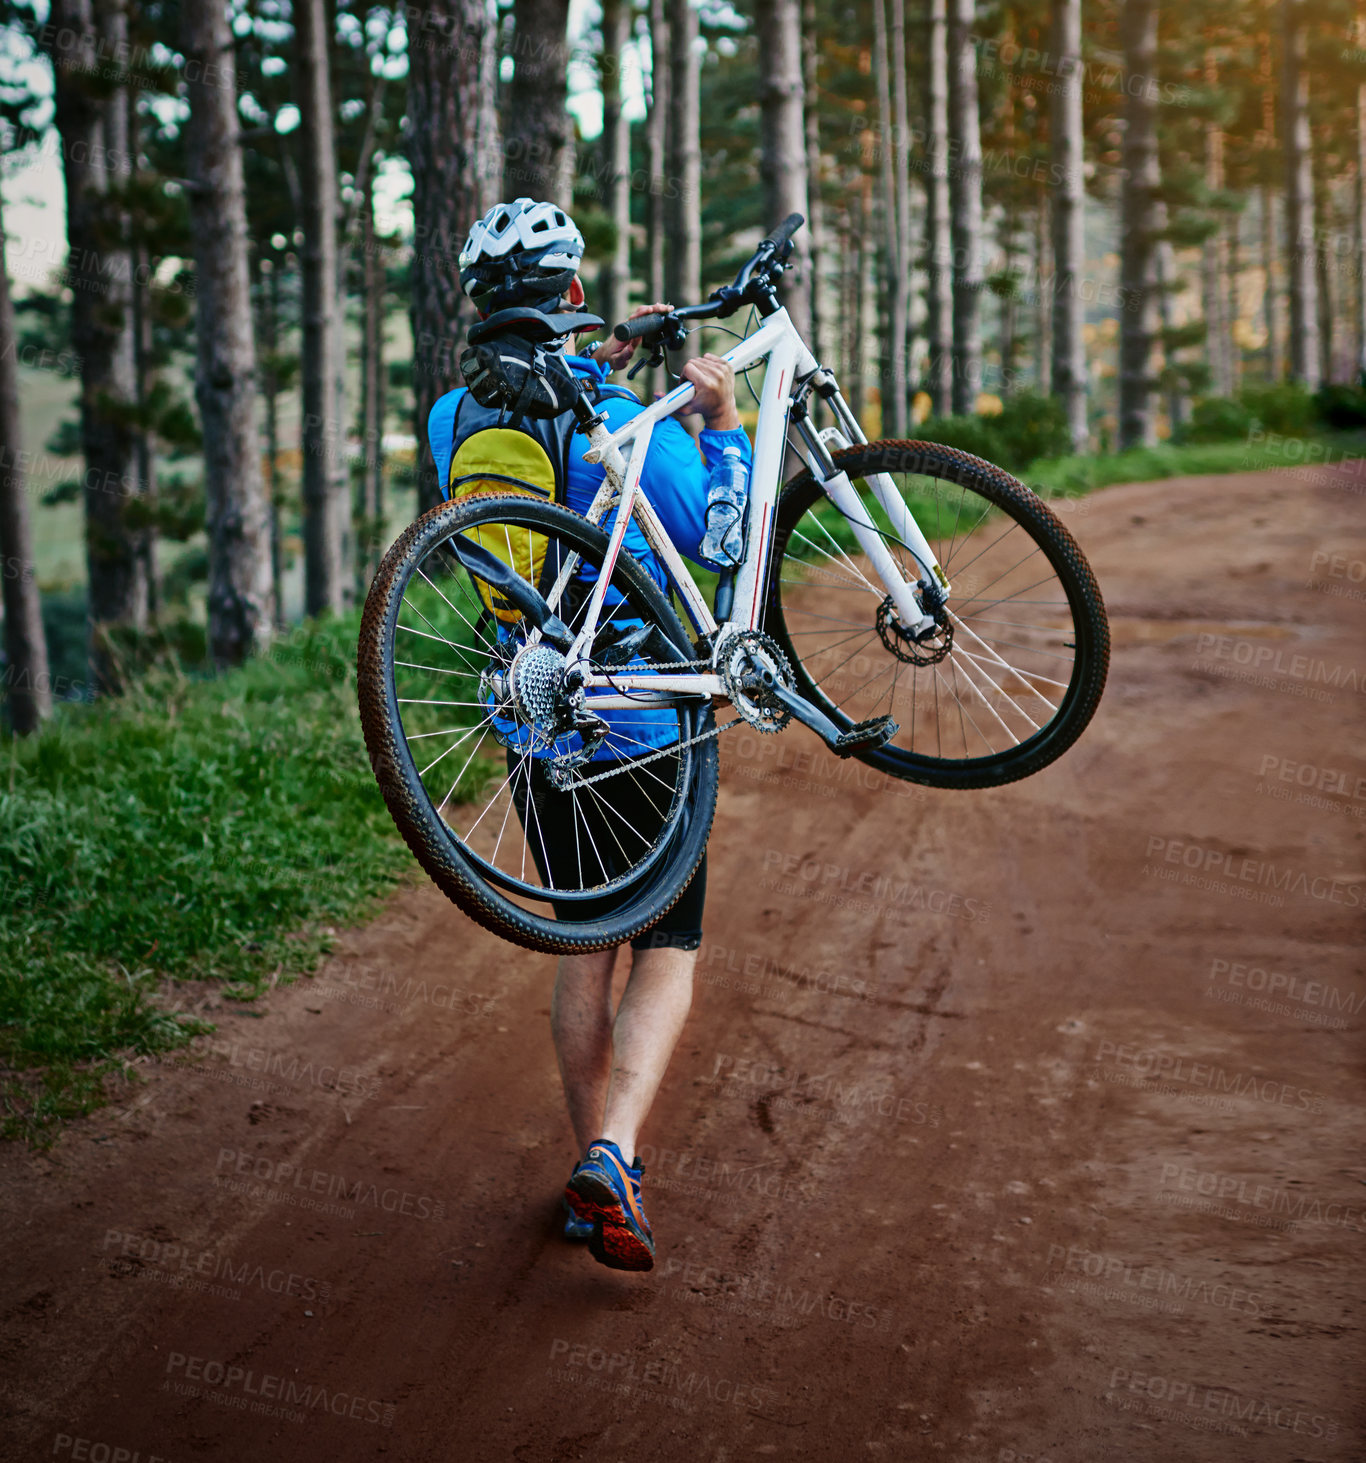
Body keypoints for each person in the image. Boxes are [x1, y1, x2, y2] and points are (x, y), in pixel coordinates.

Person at [427, 197, 753, 1272]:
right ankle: (614, 1153)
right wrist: (722, 424)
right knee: (667, 943)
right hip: (645, 711)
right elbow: (714, 540)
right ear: (573, 294)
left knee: (586, 940)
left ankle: (587, 1176)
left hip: (533, 716)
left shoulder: (450, 422)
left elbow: (535, 444)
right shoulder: (626, 422)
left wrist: (604, 363)